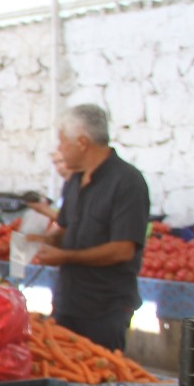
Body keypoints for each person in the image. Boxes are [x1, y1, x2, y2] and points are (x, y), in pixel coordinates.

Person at [31, 105, 151, 352]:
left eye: (63, 142)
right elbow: (65, 230)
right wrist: (42, 240)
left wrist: (65, 256)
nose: (60, 149)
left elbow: (123, 250)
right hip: (67, 301)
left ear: (82, 142)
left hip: (105, 307)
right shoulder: (75, 180)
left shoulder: (127, 182)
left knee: (102, 375)